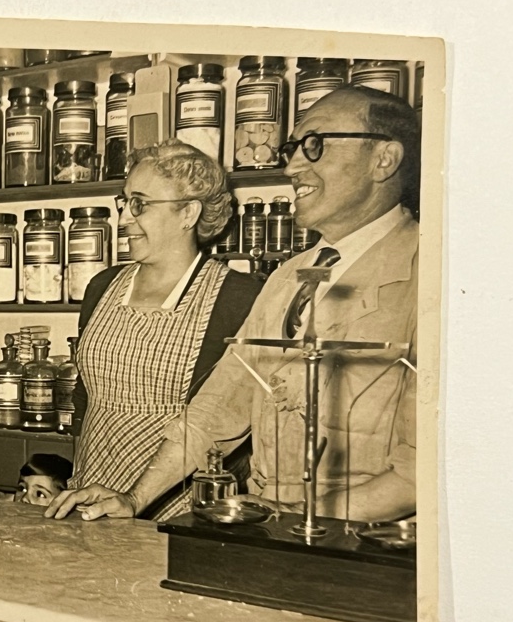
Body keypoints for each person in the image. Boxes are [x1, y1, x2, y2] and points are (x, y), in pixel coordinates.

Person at [48, 86, 419, 523]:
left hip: (360, 543)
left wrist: (293, 518)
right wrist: (134, 498)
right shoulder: (290, 275)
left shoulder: (436, 277)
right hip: (277, 527)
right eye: (293, 148)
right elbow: (218, 408)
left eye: (314, 146)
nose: (292, 164)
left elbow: (420, 472)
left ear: (384, 159)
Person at [68, 139, 262, 518]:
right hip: (91, 489)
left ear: (188, 212)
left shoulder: (238, 297)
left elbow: (230, 421)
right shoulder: (103, 286)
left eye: (140, 204)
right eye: (123, 202)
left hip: (181, 503)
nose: (124, 219)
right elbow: (84, 399)